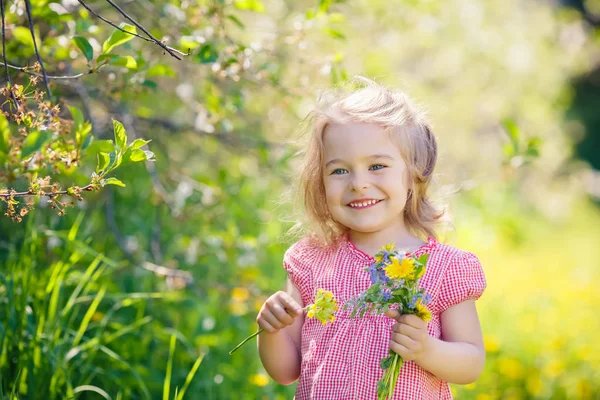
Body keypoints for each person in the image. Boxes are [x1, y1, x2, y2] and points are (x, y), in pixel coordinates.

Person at [256, 77, 487, 399]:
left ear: (413, 174)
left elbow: (471, 363)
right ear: (319, 181)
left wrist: (426, 349)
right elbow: (285, 371)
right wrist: (271, 330)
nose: (358, 184)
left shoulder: (445, 268)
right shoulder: (311, 260)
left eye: (377, 166)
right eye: (339, 171)